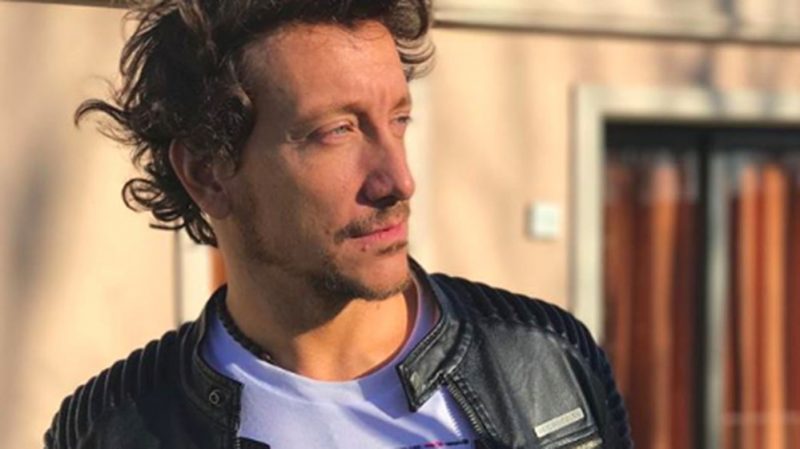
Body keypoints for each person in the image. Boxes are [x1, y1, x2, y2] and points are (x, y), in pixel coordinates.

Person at [45, 0, 632, 448]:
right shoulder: (111, 427)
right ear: (208, 173)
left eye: (398, 119)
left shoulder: (550, 361)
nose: (398, 180)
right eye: (337, 131)